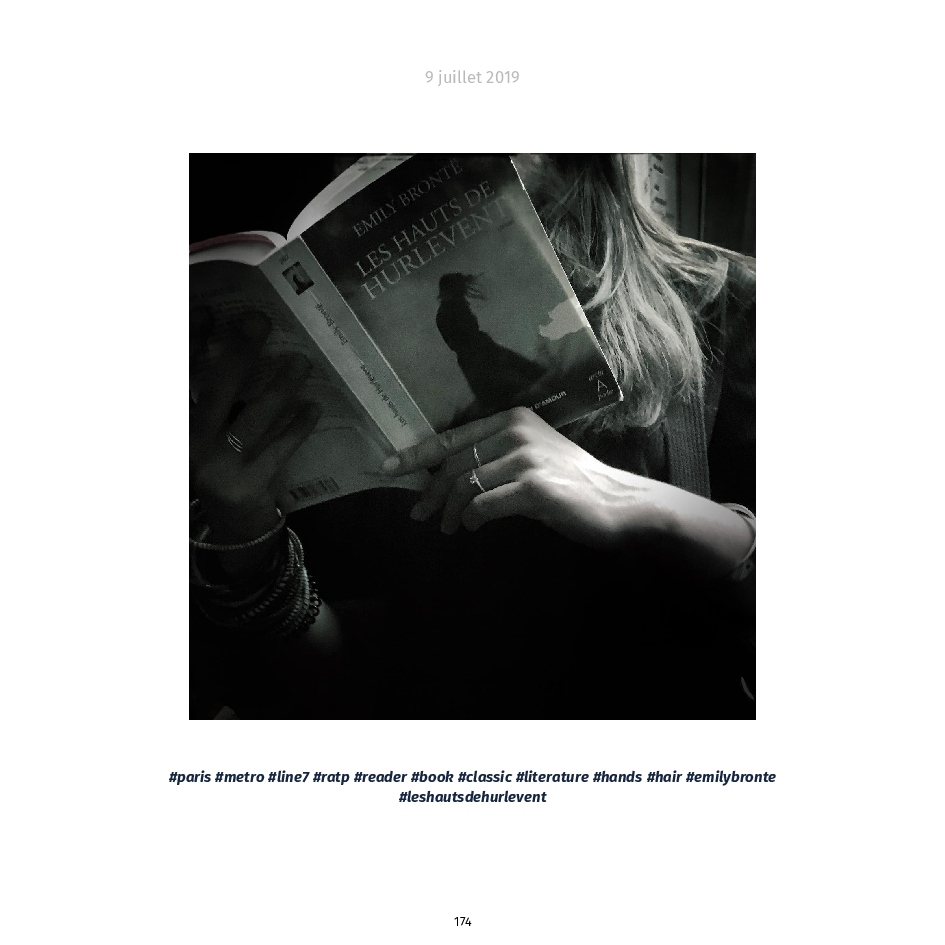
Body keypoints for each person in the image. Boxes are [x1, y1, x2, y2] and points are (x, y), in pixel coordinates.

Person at [189, 154, 756, 720]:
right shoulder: (333, 348)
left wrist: (646, 509)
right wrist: (247, 540)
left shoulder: (735, 307)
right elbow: (360, 690)